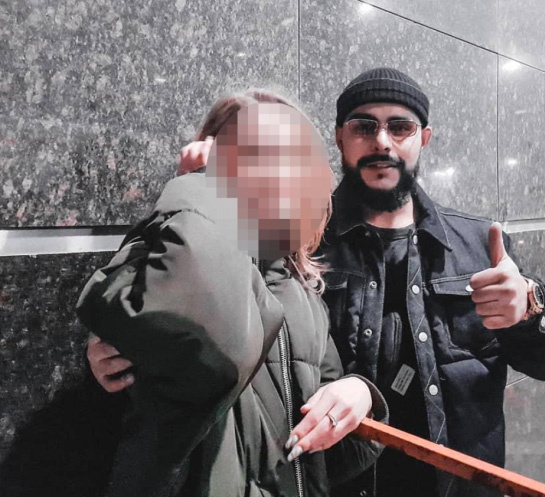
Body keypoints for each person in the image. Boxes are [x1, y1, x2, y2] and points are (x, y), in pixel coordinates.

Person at [90, 68, 545, 497]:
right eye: (364, 126)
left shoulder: (475, 242)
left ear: (424, 139)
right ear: (341, 138)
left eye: (400, 127)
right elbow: (191, 312)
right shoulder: (304, 249)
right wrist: (125, 336)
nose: (382, 142)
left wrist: (530, 308)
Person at [77, 89, 388, 497]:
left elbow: (329, 458)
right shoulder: (159, 258)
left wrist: (360, 397)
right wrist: (201, 188)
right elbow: (212, 349)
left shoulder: (303, 293)